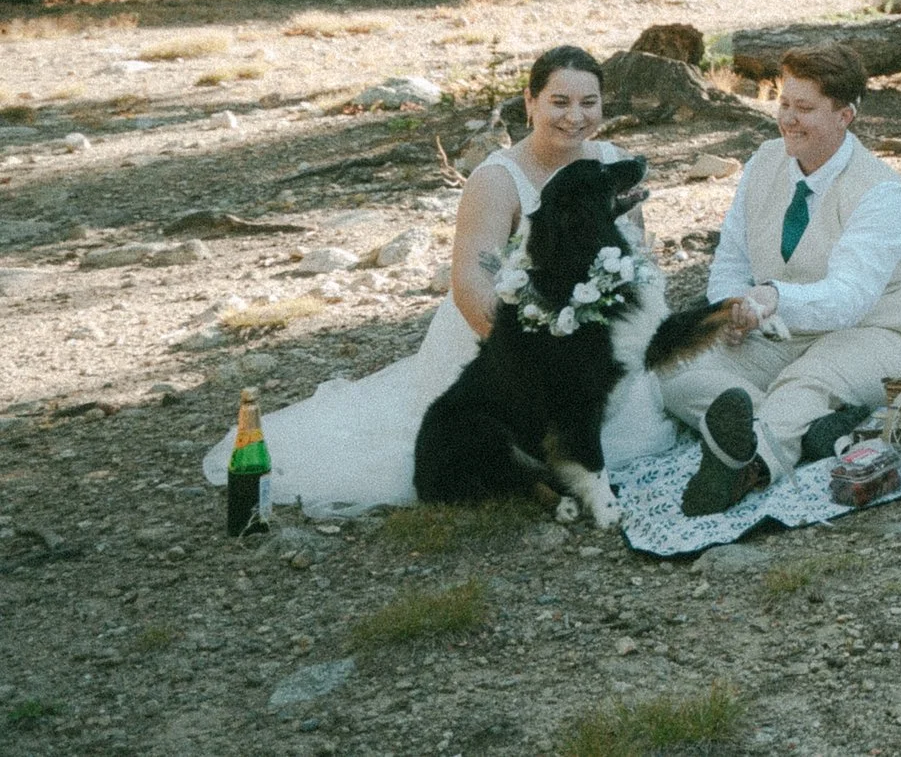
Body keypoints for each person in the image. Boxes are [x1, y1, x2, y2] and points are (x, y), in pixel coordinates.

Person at [200, 45, 679, 515]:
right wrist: (537, 364)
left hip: (594, 335)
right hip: (507, 342)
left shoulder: (610, 162)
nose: (575, 116)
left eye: (588, 103)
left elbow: (633, 255)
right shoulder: (498, 179)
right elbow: (473, 281)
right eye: (559, 102)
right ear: (530, 102)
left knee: (636, 430)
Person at [662, 42, 901, 515]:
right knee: (676, 374)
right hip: (784, 327)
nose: (788, 118)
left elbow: (849, 299)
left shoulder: (881, 193)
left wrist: (771, 296)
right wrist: (734, 309)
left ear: (845, 115)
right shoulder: (767, 160)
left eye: (804, 108)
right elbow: (732, 257)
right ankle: (812, 433)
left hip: (877, 332)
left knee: (805, 382)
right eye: (784, 103)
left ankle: (747, 467)